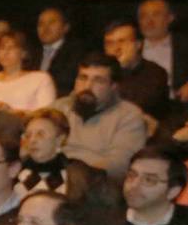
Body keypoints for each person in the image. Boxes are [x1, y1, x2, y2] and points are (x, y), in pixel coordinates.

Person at [54, 53, 149, 183]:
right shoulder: (59, 107)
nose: (87, 86)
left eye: (98, 80)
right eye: (83, 78)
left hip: (96, 183)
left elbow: (119, 165)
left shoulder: (129, 115)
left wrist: (75, 174)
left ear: (113, 86)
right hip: (54, 175)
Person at [137, 0, 188, 93]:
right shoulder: (132, 47)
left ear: (170, 18)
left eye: (156, 15)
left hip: (178, 99)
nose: (149, 21)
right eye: (143, 16)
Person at [103, 21, 171, 119]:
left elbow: (137, 108)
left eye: (122, 41)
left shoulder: (155, 74)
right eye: (109, 43)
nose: (115, 48)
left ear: (138, 44)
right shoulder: (100, 72)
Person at [15, 109, 85, 200]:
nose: (32, 140)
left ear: (59, 140)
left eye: (40, 134)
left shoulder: (77, 175)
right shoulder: (14, 171)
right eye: (28, 136)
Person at [0, 30, 57, 115]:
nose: (6, 52)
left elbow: (47, 114)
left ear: (24, 53)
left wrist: (12, 112)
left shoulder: (40, 79)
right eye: (2, 48)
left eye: (11, 48)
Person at [36, 7, 86, 100]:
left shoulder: (76, 53)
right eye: (41, 24)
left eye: (51, 23)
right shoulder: (31, 53)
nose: (45, 28)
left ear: (66, 27)